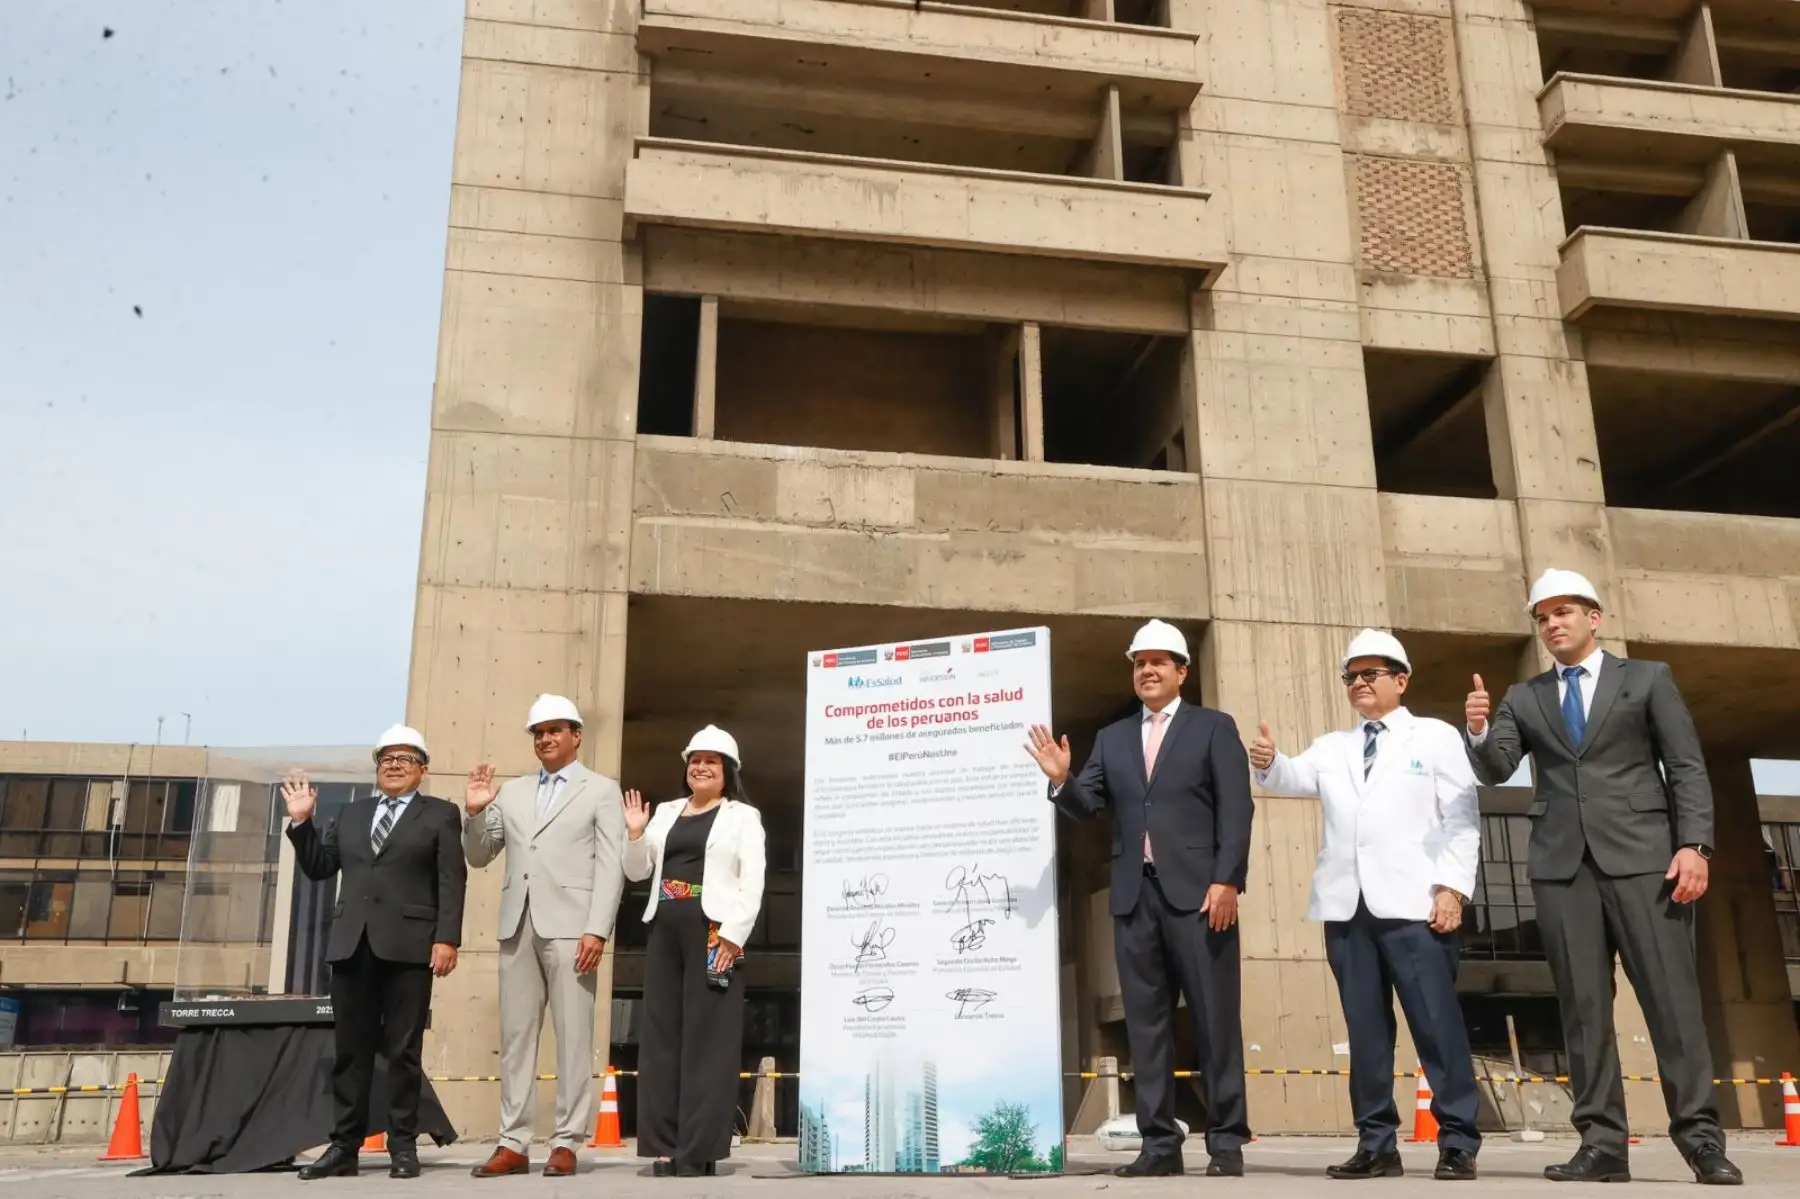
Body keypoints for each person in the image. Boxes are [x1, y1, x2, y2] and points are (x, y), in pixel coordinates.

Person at [1465, 570, 1740, 1186]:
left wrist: (1695, 845)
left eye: (1564, 611)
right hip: (1563, 869)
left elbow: (1687, 766)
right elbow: (1496, 768)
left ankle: (1701, 1141)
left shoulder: (1648, 679)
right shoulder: (1524, 695)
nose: (1552, 623)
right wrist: (1480, 730)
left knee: (1672, 1005)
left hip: (1648, 862)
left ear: (1595, 617)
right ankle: (1602, 1143)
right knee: (1583, 1010)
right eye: (1542, 616)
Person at [1248, 630, 1481, 1181]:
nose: (1359, 683)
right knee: (1366, 1032)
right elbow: (1292, 778)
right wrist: (1268, 760)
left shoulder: (1435, 737)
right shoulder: (1334, 746)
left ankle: (1457, 1141)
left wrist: (1453, 887)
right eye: (1351, 675)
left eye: (1370, 673)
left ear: (1401, 680)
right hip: (1347, 908)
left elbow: (1462, 817)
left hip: (1415, 905)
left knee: (1436, 1026)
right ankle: (1376, 1142)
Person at [1026, 619, 1253, 1178]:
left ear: (1182, 671)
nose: (1147, 671)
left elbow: (1237, 809)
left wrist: (1228, 880)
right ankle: (1159, 1146)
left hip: (1202, 898)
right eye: (1138, 663)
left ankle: (1225, 1144)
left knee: (1214, 1021)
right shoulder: (1114, 737)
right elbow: (1087, 805)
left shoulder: (1214, 728)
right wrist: (1062, 780)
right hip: (1134, 899)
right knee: (1146, 1027)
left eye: (1158, 662)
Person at [283, 726, 467, 1181]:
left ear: (422, 769)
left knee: (403, 1051)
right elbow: (320, 867)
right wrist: (302, 823)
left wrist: (447, 938)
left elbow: (451, 879)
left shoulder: (440, 814)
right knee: (351, 1053)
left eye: (406, 757)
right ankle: (344, 1147)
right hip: (352, 946)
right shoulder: (350, 813)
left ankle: (403, 1146)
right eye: (386, 757)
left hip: (410, 947)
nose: (394, 763)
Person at [463, 695, 628, 1179]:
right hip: (518, 925)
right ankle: (513, 1142)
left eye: (555, 729)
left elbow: (612, 864)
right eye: (538, 732)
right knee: (516, 1038)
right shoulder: (510, 794)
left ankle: (566, 1141)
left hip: (574, 928)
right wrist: (474, 812)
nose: (546, 738)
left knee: (574, 1037)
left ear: (576, 735)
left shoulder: (601, 790)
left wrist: (598, 928)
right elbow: (479, 855)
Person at [622, 725, 767, 1178]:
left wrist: (733, 934)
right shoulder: (664, 812)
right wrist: (634, 834)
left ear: (728, 772)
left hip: (713, 932)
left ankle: (699, 1149)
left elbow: (753, 879)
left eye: (712, 761)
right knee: (662, 1040)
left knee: (709, 1042)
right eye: (694, 760)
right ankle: (665, 1146)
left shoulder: (743, 816)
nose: (700, 767)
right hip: (663, 929)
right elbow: (636, 871)